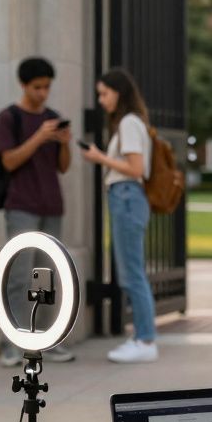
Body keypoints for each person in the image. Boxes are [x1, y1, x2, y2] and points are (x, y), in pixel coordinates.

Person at [0, 57, 76, 367]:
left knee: (47, 278)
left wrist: (64, 143)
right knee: (18, 276)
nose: (43, 93)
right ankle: (13, 343)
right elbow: (9, 161)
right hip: (21, 206)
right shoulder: (9, 118)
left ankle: (46, 340)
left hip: (52, 205)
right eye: (37, 87)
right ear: (24, 85)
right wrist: (39, 137)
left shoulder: (53, 118)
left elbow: (63, 167)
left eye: (47, 87)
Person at [81, 68, 159, 363]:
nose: (101, 100)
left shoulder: (128, 123)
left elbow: (136, 169)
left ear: (119, 93)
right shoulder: (131, 122)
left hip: (126, 196)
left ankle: (145, 339)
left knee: (132, 272)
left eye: (104, 93)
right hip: (126, 197)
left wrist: (100, 157)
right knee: (131, 270)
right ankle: (141, 335)